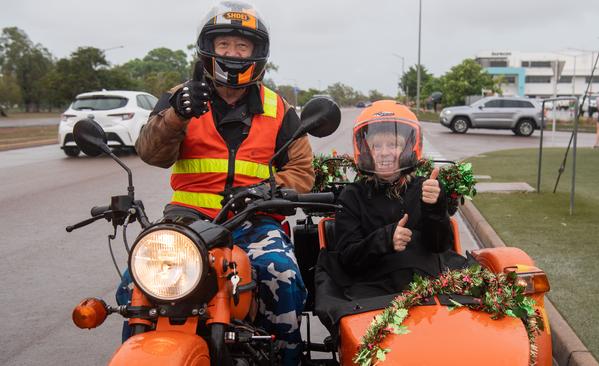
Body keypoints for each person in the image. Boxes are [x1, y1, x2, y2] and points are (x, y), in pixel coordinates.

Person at [134, 2, 313, 364]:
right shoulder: (180, 96)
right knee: (138, 282)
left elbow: (303, 171)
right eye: (224, 45)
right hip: (187, 219)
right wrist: (175, 116)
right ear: (208, 49)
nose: (233, 53)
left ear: (256, 53)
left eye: (242, 46)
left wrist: (267, 190)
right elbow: (150, 153)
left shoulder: (278, 109)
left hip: (255, 220)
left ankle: (285, 358)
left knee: (284, 276)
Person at [332, 100, 454, 298]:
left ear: (408, 148)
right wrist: (385, 239)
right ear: (365, 150)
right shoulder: (353, 196)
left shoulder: (425, 188)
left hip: (427, 289)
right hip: (373, 293)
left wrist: (435, 208)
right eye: (376, 145)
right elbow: (347, 259)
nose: (384, 152)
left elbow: (439, 246)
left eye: (393, 144)